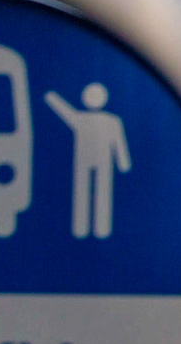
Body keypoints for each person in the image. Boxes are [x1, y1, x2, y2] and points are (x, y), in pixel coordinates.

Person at [45, 83, 131, 239]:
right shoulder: (109, 120)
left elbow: (118, 143)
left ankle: (85, 228)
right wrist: (123, 163)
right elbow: (119, 145)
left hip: (92, 162)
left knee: (89, 191)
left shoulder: (90, 119)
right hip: (92, 162)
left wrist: (52, 97)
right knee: (94, 191)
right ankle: (94, 228)